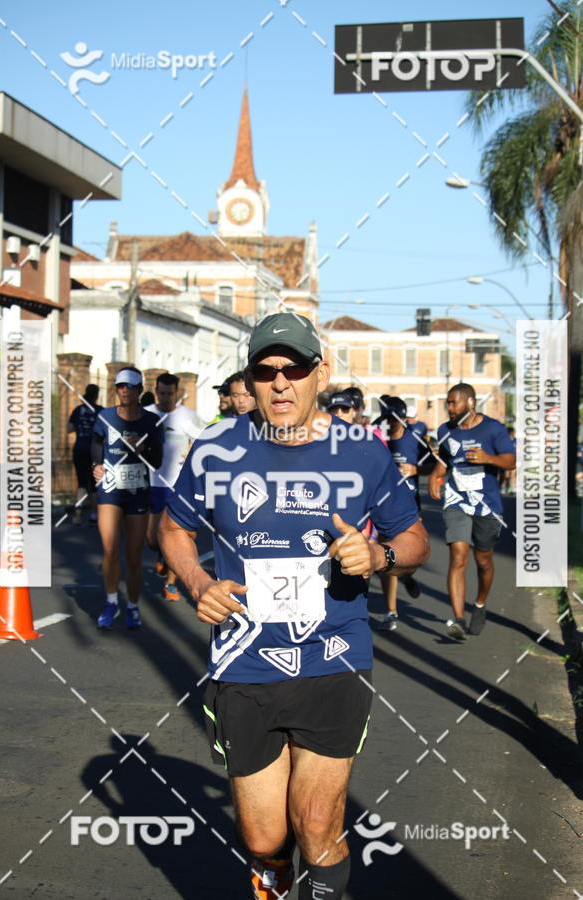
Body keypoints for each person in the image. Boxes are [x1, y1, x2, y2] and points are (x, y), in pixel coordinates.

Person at [159, 312, 429, 900]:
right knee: (262, 839)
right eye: (265, 370)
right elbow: (174, 529)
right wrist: (198, 582)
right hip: (244, 664)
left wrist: (378, 557)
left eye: (295, 369)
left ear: (320, 374)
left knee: (317, 826)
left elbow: (413, 541)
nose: (280, 383)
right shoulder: (215, 448)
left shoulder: (362, 452)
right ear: (250, 380)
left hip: (334, 657)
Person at [428, 383, 515, 641]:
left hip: (486, 504)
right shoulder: (446, 430)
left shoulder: (493, 429)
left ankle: (479, 604)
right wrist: (435, 475)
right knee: (458, 555)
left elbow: (510, 460)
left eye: (454, 403)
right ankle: (457, 620)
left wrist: (488, 458)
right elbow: (444, 458)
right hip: (456, 499)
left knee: (483, 560)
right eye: (448, 403)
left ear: (471, 403)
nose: (450, 408)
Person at [92, 366, 164, 630]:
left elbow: (157, 462)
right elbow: (96, 444)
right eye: (120, 386)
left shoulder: (151, 423)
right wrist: (95, 465)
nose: (124, 391)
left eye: (129, 386)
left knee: (133, 555)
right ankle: (111, 602)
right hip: (110, 490)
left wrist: (143, 448)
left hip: (137, 492)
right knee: (109, 550)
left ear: (139, 390)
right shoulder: (105, 416)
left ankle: (132, 606)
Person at [145, 373, 202, 602]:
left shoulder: (187, 416)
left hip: (178, 485)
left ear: (176, 393)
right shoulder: (147, 413)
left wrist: (192, 452)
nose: (166, 398)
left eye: (170, 394)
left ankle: (170, 584)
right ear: (156, 391)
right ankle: (161, 552)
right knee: (151, 539)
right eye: (162, 393)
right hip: (151, 483)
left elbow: (206, 440)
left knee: (179, 535)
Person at [372, 396, 421, 630]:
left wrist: (417, 468)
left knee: (405, 554)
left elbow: (439, 463)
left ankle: (407, 574)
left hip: (410, 505)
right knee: (387, 553)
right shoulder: (378, 441)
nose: (390, 425)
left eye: (394, 420)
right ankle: (391, 610)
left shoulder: (415, 438)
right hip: (385, 505)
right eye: (386, 421)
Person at [68, 384, 103, 525]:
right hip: (96, 450)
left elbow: (69, 429)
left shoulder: (78, 410)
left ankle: (77, 514)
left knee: (82, 483)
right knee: (95, 483)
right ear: (97, 395)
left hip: (80, 448)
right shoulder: (101, 411)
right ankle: (94, 515)